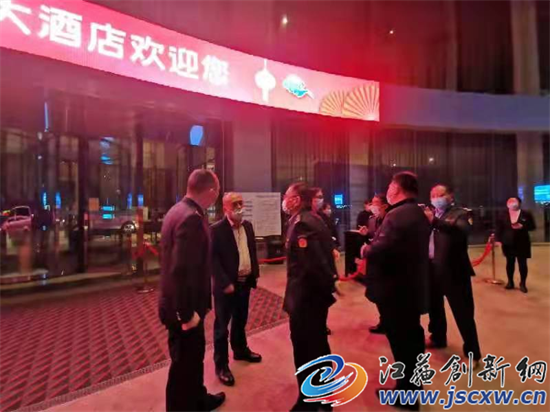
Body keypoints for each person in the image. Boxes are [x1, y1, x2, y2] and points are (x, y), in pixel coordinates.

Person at [158, 169, 225, 412]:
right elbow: (181, 270)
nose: (216, 197)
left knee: (193, 358)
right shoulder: (192, 218)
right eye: (217, 192)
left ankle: (198, 399)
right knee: (183, 365)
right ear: (210, 191)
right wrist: (186, 315)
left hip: (177, 303)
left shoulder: (176, 210)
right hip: (184, 309)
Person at [363, 172, 430, 411]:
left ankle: (406, 395)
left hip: (396, 291)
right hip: (410, 288)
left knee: (402, 343)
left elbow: (381, 249)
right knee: (412, 339)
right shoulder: (417, 213)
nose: (388, 189)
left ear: (398, 188)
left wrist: (366, 250)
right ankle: (412, 388)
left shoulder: (397, 215)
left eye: (391, 185)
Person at [283, 182, 338, 412]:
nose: (284, 200)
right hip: (312, 298)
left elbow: (311, 266)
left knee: (307, 350)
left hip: (306, 300)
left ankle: (309, 401)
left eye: (287, 196)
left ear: (296, 199)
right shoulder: (312, 219)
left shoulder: (302, 223)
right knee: (318, 346)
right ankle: (324, 398)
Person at [424, 184, 482, 368]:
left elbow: (461, 231)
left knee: (463, 313)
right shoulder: (431, 214)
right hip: (432, 268)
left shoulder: (462, 214)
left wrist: (434, 221)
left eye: (440, 194)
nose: (436, 198)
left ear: (450, 196)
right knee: (435, 307)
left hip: (454, 271)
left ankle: (473, 353)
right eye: (433, 194)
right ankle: (438, 337)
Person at [211, 192, 262, 386]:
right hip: (226, 288)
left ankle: (240, 350)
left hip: (244, 283)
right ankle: (221, 365)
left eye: (241, 203)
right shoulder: (216, 230)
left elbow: (251, 251)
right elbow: (212, 260)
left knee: (241, 320)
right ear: (225, 208)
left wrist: (253, 274)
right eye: (235, 204)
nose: (239, 207)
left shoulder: (247, 226)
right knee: (222, 327)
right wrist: (225, 283)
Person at [362, 193, 390, 334]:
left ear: (384, 205)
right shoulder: (372, 220)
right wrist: (366, 234)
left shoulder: (391, 220)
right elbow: (373, 236)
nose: (372, 206)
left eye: (375, 203)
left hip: (386, 263)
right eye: (372, 203)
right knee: (377, 294)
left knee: (386, 296)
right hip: (374, 262)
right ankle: (384, 321)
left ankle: (389, 322)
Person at [495, 197, 536, 293]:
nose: (512, 203)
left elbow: (532, 226)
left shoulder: (526, 214)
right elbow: (499, 228)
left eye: (514, 201)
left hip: (522, 242)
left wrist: (523, 226)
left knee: (522, 264)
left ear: (519, 203)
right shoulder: (503, 214)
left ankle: (523, 283)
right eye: (510, 201)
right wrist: (498, 240)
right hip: (508, 243)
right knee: (510, 263)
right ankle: (510, 282)